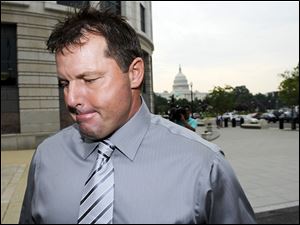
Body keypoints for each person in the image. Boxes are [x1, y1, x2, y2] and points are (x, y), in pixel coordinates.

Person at [19, 7, 256, 224]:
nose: (71, 99)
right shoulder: (46, 158)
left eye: (89, 80)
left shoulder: (204, 166)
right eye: (64, 83)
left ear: (134, 73)